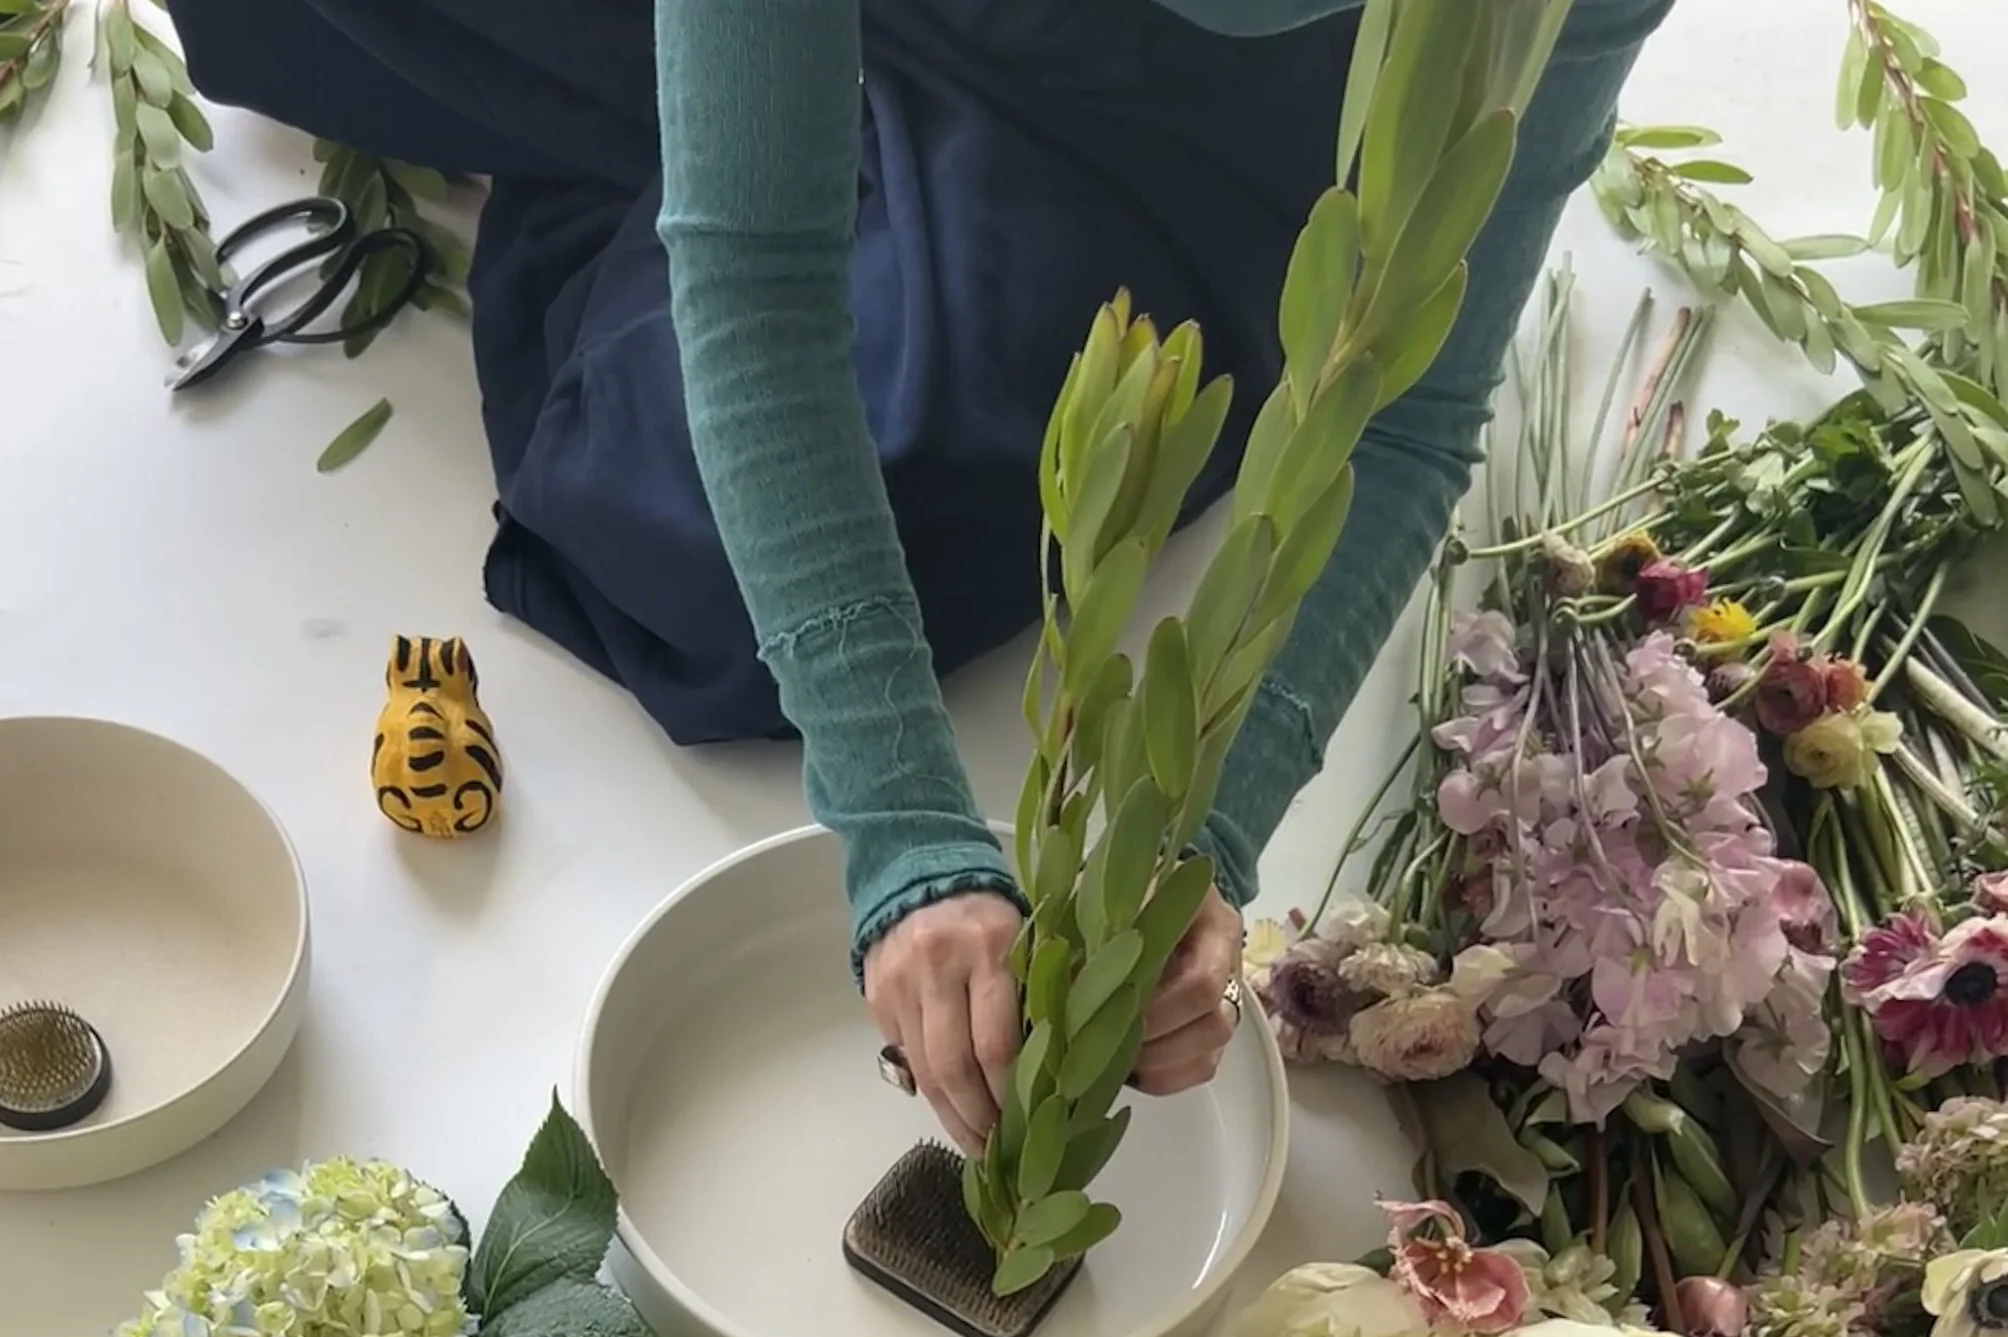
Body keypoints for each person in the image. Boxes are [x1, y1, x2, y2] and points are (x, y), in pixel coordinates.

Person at [171, 0, 1672, 1149]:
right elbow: (756, 277)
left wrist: (1202, 832)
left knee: (699, 571)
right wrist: (900, 824)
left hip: (1180, 177)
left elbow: (1405, 417)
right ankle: (735, 93)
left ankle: (741, 106)